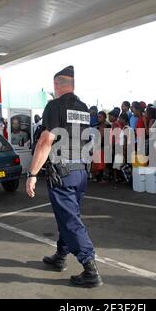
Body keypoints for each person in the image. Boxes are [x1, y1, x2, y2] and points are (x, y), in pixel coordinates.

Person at [26, 65, 103, 288]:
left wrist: (32, 174)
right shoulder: (83, 108)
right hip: (80, 171)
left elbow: (45, 141)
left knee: (70, 221)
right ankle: (60, 256)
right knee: (67, 216)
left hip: (62, 172)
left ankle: (90, 270)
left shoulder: (54, 105)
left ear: (56, 85)